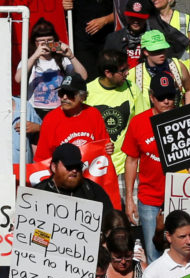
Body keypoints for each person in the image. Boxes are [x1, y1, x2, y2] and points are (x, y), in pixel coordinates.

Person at [123, 74, 179, 261]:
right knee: (153, 253)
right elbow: (131, 160)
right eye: (161, 97)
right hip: (150, 199)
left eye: (170, 96)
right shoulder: (138, 122)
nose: (167, 101)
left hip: (181, 196)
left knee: (182, 251)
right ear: (151, 96)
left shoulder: (185, 119)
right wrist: (129, 198)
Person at [18, 18, 87, 117]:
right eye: (41, 41)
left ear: (55, 41)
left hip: (59, 110)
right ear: (35, 42)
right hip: (34, 110)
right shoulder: (29, 60)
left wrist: (71, 56)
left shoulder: (62, 60)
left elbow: (83, 77)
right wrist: (35, 56)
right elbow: (18, 79)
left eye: (49, 40)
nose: (46, 44)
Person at [34, 73, 111, 163]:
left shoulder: (93, 114)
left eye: (70, 94)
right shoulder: (51, 119)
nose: (64, 97)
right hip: (62, 174)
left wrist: (108, 148)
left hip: (89, 172)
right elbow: (42, 158)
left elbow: (103, 147)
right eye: (61, 93)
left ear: (82, 97)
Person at [86, 49, 139, 177]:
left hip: (126, 166)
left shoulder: (132, 88)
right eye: (122, 71)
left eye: (127, 68)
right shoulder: (88, 91)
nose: (127, 73)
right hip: (96, 167)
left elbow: (141, 122)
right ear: (108, 73)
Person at [31, 142, 115, 219]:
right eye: (69, 166)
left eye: (77, 166)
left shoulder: (93, 191)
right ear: (54, 167)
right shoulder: (39, 193)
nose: (74, 170)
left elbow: (109, 222)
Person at [129, 29, 190, 111]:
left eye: (163, 49)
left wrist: (187, 111)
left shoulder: (177, 66)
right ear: (145, 52)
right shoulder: (133, 74)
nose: (161, 54)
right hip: (150, 121)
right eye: (156, 51)